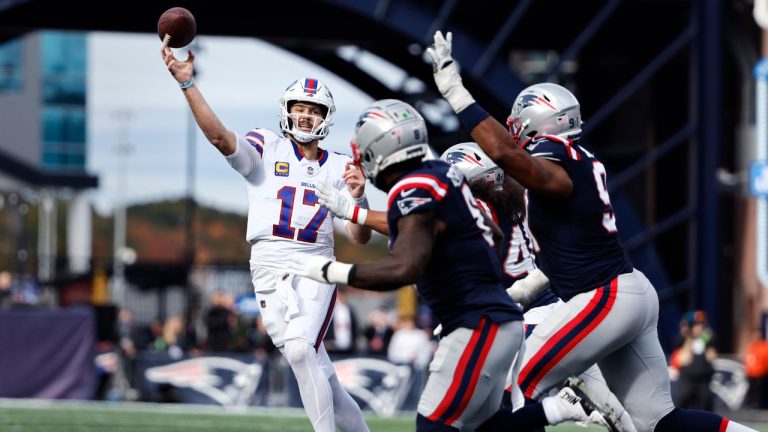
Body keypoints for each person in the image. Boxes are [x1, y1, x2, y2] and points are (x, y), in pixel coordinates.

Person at [426, 30, 758, 432]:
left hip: (605, 297)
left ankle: (561, 410)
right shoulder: (571, 165)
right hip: (625, 292)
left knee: (511, 388)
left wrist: (456, 92)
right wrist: (517, 293)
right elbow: (558, 253)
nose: (514, 136)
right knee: (659, 423)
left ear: (536, 125)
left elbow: (506, 155)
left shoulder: (556, 158)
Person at [291, 98, 614, 432]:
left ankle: (557, 408)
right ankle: (558, 409)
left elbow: (406, 263)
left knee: (440, 424)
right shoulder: (466, 187)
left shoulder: (429, 187)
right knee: (484, 421)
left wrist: (331, 267)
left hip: (488, 320)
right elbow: (491, 238)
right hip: (509, 314)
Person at [161, 46, 372, 432]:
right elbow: (219, 138)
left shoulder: (343, 165)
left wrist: (358, 197)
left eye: (315, 109)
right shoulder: (265, 145)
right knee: (319, 373)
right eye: (300, 107)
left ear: (325, 118)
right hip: (266, 266)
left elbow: (358, 237)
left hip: (315, 262)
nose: (306, 114)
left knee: (299, 349)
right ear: (287, 110)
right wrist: (187, 83)